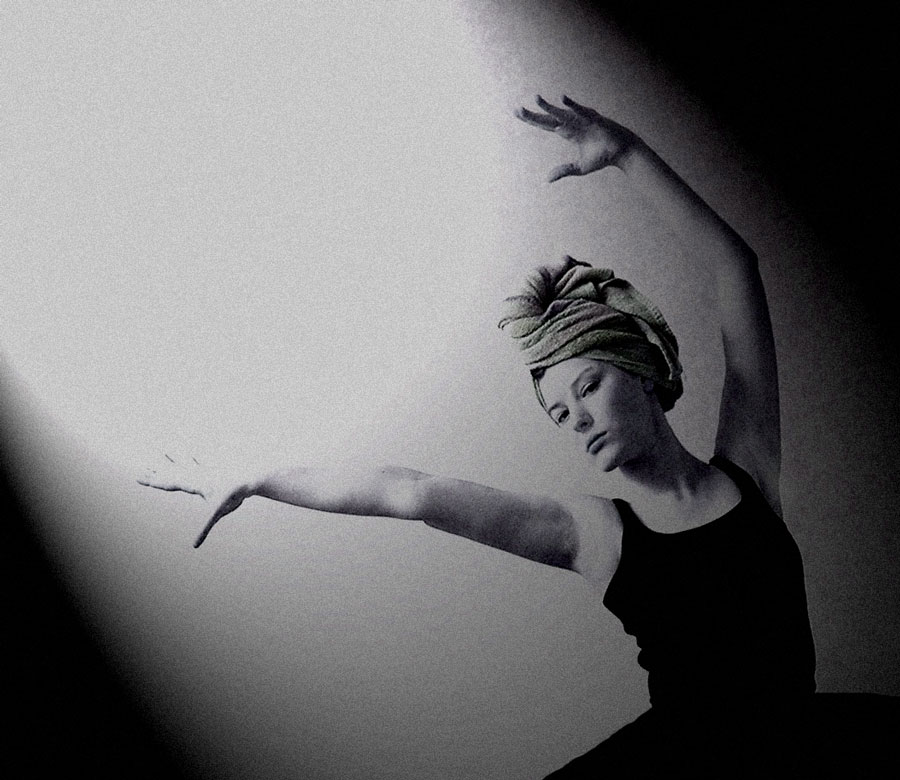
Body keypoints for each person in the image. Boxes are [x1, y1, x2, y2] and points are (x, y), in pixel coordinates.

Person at [139, 96, 895, 777]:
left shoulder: (749, 465)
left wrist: (629, 153)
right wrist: (259, 478)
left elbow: (737, 266)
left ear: (641, 368)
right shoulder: (595, 534)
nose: (578, 420)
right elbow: (412, 492)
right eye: (560, 412)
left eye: (587, 388)